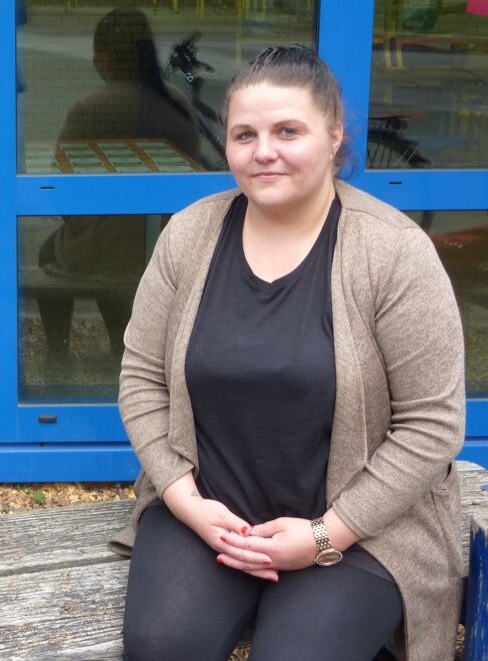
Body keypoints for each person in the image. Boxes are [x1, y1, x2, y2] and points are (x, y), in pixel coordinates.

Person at [111, 45, 464, 660]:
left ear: (334, 138)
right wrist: (184, 500)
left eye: (287, 131)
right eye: (244, 134)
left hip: (359, 526)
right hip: (210, 507)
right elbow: (141, 380)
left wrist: (326, 534)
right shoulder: (188, 234)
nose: (263, 151)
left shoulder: (396, 254)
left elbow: (431, 427)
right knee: (162, 647)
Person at [37, 8, 199, 365]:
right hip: (165, 245)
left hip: (104, 248)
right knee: (116, 251)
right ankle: (120, 347)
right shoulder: (177, 102)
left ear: (106, 60)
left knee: (52, 254)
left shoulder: (90, 108)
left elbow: (58, 194)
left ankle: (57, 354)